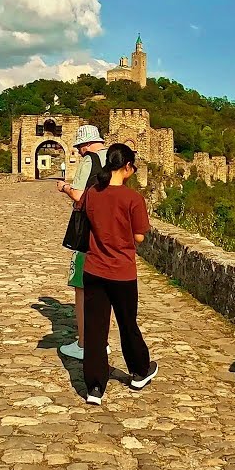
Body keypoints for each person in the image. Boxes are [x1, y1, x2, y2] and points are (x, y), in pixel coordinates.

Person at [80, 143, 157, 405]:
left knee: (95, 329)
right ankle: (139, 371)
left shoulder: (92, 193)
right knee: (127, 324)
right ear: (126, 166)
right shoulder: (133, 199)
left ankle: (94, 387)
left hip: (93, 269)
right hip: (122, 272)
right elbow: (139, 236)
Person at [57, 125, 108, 361]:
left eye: (79, 147)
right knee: (104, 287)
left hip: (88, 228)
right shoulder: (114, 158)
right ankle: (103, 341)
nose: (78, 152)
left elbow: (79, 195)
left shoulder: (90, 161)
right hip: (111, 229)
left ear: (85, 145)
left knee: (82, 285)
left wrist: (65, 187)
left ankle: (84, 343)